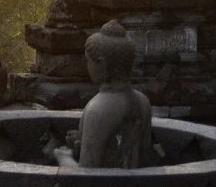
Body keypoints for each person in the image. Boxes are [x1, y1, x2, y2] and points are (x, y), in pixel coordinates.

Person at [54, 20, 152, 168]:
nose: (87, 66)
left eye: (88, 61)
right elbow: (140, 159)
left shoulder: (98, 108)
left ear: (101, 63)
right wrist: (82, 144)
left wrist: (63, 157)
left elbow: (86, 178)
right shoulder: (143, 102)